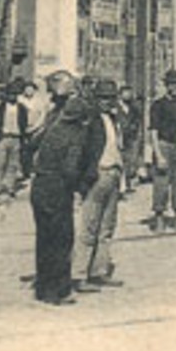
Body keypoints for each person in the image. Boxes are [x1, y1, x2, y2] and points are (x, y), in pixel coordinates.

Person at [28, 71, 96, 306]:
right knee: (62, 239)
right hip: (57, 188)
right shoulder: (74, 134)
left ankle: (43, 288)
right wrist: (78, 186)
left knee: (44, 239)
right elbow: (70, 168)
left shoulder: (51, 127)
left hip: (39, 185)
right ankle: (58, 290)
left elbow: (32, 146)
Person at [73, 78, 126, 291]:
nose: (107, 102)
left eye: (111, 98)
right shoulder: (90, 121)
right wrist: (82, 181)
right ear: (96, 99)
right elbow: (82, 152)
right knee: (89, 228)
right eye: (103, 98)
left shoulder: (113, 119)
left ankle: (99, 271)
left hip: (113, 173)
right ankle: (79, 275)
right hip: (97, 175)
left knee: (106, 228)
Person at [149, 69, 176, 232]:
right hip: (164, 145)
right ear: (166, 86)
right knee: (161, 184)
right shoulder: (157, 105)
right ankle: (159, 217)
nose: (175, 88)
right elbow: (153, 131)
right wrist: (158, 154)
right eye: (172, 84)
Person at [0, 78, 32, 201]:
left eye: (15, 94)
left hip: (16, 137)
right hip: (3, 137)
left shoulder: (22, 108)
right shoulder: (1, 107)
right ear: (7, 95)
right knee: (0, 163)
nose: (12, 96)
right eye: (10, 94)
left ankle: (10, 187)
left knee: (13, 164)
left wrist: (22, 135)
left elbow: (24, 122)